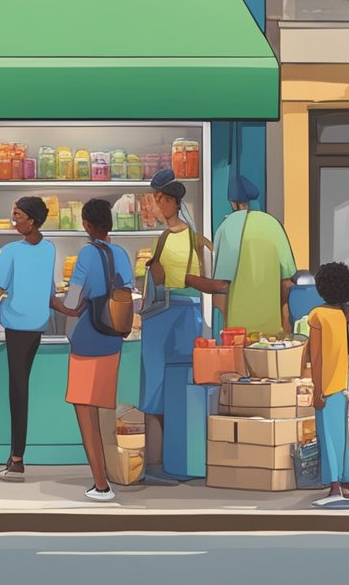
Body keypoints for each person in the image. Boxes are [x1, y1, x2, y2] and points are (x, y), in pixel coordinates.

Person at [0, 196, 57, 483]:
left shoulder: (10, 252)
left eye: (17, 215)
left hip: (17, 325)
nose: (13, 219)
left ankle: (17, 459)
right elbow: (49, 292)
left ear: (31, 219)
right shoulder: (50, 248)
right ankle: (15, 456)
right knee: (22, 387)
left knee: (17, 391)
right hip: (38, 325)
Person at [57, 198, 135, 502]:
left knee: (84, 411)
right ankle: (111, 473)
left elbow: (74, 300)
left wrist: (57, 301)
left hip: (88, 339)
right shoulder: (122, 254)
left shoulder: (88, 254)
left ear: (87, 226)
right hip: (113, 339)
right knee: (104, 411)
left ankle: (101, 484)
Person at [139, 169, 207, 485]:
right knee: (182, 389)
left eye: (158, 200)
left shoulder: (166, 238)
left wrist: (151, 269)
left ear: (169, 202)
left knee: (154, 390)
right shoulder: (196, 238)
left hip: (162, 318)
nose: (155, 205)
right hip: (189, 316)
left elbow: (160, 280)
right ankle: (182, 458)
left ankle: (155, 463)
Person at [189, 175, 296, 337]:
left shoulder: (228, 227)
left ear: (233, 203)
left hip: (237, 332)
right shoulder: (273, 225)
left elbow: (221, 286)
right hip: (272, 330)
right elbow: (287, 282)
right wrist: (282, 317)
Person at [307, 262, 349, 508]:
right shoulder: (341, 315)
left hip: (326, 386)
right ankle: (348, 482)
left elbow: (316, 358)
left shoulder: (317, 315)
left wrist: (316, 390)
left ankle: (334, 487)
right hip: (341, 384)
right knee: (342, 436)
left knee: (327, 436)